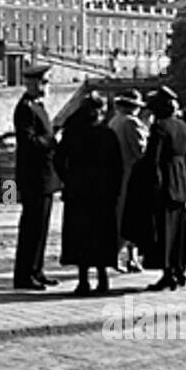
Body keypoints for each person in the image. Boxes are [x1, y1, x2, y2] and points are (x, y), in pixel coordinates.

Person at [56, 90, 123, 295]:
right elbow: (117, 165)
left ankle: (83, 280)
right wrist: (115, 188)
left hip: (78, 191)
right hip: (103, 192)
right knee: (102, 234)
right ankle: (103, 278)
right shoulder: (107, 134)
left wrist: (68, 179)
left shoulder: (71, 133)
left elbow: (58, 160)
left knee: (81, 235)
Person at [141, 86, 186, 291]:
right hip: (180, 182)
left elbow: (153, 160)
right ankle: (179, 268)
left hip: (165, 182)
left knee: (165, 230)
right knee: (180, 230)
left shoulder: (159, 128)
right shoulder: (185, 128)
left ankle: (167, 273)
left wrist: (154, 185)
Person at [12, 63, 61, 290]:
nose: (48, 86)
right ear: (34, 84)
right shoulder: (25, 108)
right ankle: (24, 275)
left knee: (41, 226)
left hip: (45, 176)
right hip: (34, 176)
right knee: (31, 227)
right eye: (46, 82)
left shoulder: (38, 106)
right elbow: (29, 142)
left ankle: (37, 269)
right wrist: (52, 141)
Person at [108, 89, 148, 272]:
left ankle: (131, 258)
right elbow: (141, 151)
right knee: (130, 217)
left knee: (123, 216)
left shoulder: (114, 121)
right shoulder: (132, 123)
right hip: (133, 176)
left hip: (117, 174)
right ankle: (117, 255)